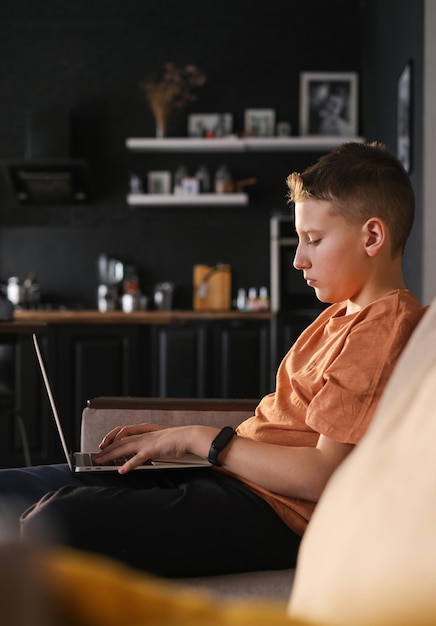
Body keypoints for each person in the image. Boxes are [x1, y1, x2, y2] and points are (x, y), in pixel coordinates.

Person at [0, 141, 425, 579]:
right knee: (10, 490)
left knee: (53, 521)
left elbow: (321, 475)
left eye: (313, 240)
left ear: (372, 236)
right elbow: (284, 430)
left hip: (273, 513)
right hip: (232, 479)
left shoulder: (380, 330)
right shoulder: (342, 313)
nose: (298, 259)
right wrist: (180, 443)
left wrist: (199, 440)